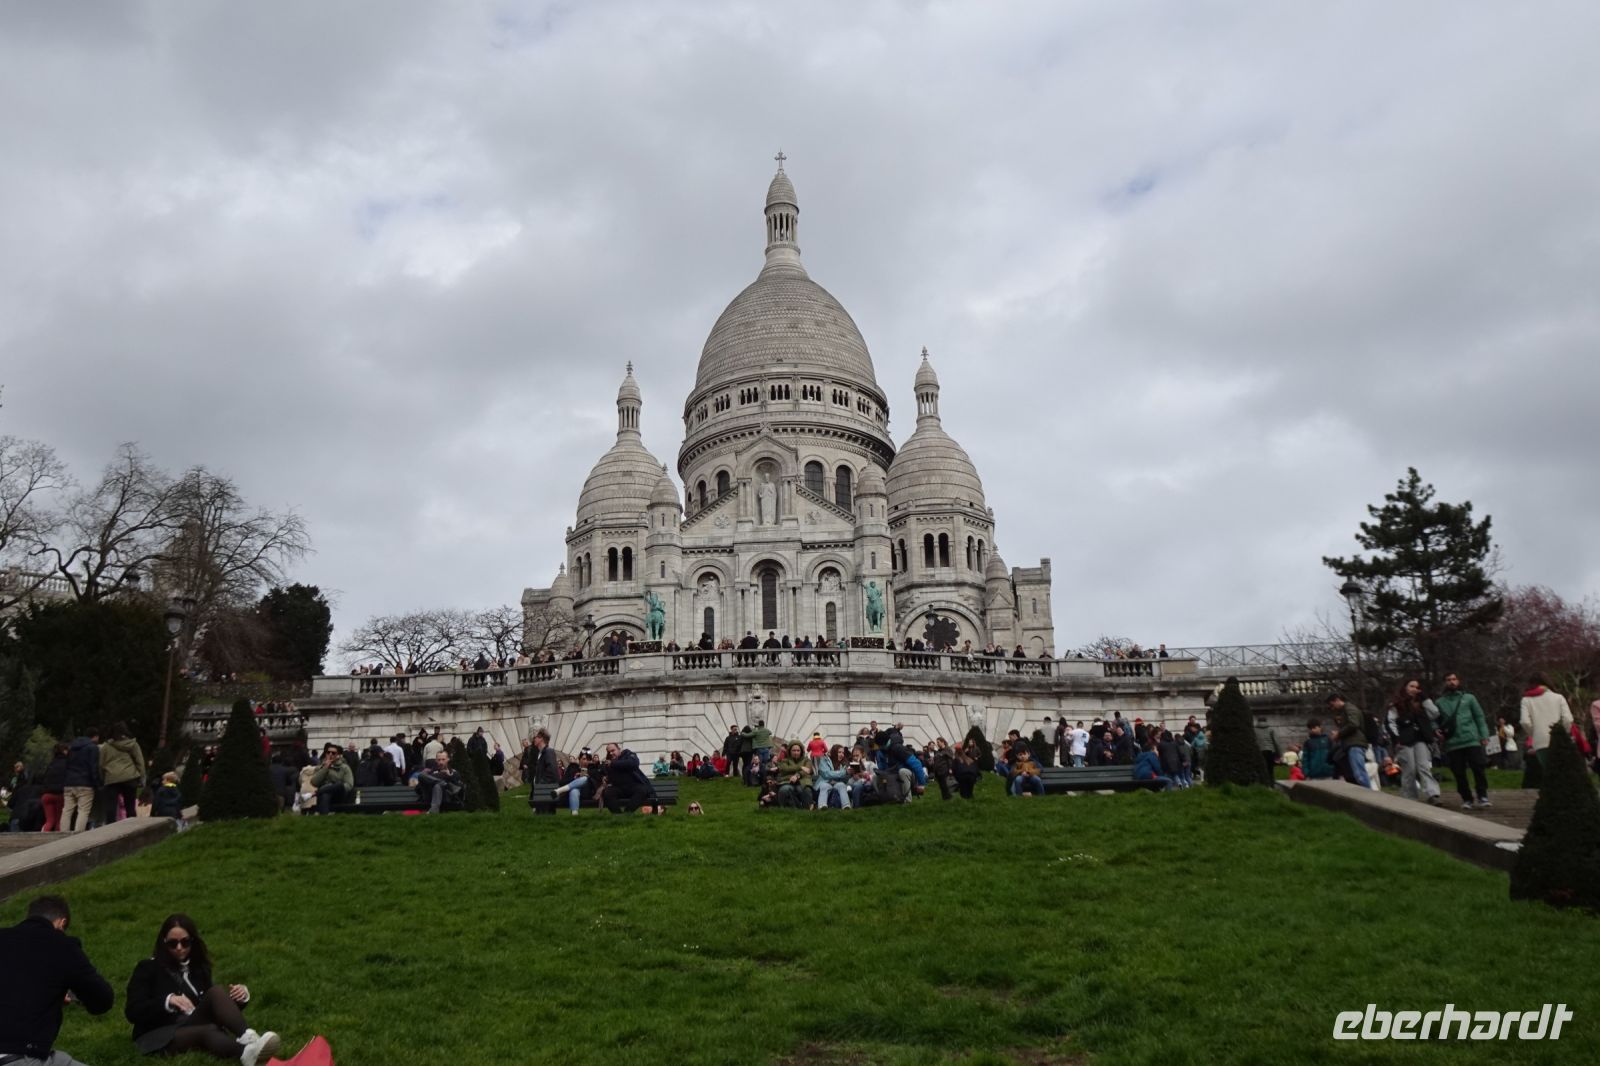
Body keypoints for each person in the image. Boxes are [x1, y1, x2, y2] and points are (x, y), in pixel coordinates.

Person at [125, 913, 279, 1063]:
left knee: (216, 993)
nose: (179, 948)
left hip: (189, 1022)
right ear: (163, 942)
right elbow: (133, 1011)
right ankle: (246, 1053)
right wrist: (168, 1001)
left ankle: (248, 1038)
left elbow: (214, 1008)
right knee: (207, 1031)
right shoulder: (147, 968)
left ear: (193, 941)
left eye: (185, 942)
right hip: (157, 1033)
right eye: (172, 943)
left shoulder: (199, 969)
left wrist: (240, 997)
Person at [0, 895, 115, 1066]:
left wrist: (50, 994)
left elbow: (15, 985)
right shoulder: (61, 945)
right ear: (61, 923)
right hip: (20, 1056)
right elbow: (102, 1000)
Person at [1435, 671, 1492, 810]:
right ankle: (1467, 798)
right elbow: (1434, 720)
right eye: (1448, 679)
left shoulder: (1469, 698)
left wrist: (1484, 735)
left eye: (1454, 679)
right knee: (1459, 772)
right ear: (1444, 682)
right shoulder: (1439, 702)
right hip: (1453, 742)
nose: (1452, 682)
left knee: (1478, 768)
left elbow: (1479, 717)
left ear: (1458, 681)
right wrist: (1435, 730)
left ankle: (1482, 795)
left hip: (1471, 739)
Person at [1388, 680, 1442, 805]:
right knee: (1409, 769)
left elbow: (1435, 713)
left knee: (1424, 766)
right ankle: (1410, 797)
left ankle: (1432, 793)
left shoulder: (1422, 704)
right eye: (1411, 686)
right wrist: (1396, 739)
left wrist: (1425, 700)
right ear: (1405, 688)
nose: (1414, 689)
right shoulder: (1396, 705)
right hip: (1404, 740)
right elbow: (1390, 722)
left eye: (1417, 687)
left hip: (1421, 738)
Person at [1519, 673, 1573, 769]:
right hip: (1558, 740)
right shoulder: (1559, 697)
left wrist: (1534, 733)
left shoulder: (1526, 700)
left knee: (1548, 772)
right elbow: (1568, 720)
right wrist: (1564, 733)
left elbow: (1524, 722)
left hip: (1540, 741)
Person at [98, 723, 146, 825]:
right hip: (130, 777)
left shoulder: (106, 746)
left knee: (111, 807)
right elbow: (140, 761)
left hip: (111, 778)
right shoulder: (133, 744)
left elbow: (101, 764)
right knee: (130, 805)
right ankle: (132, 827)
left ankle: (110, 828)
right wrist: (141, 777)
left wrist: (103, 778)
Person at [1328, 693, 1372, 788]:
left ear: (1337, 700)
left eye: (1332, 705)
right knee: (1355, 773)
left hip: (1355, 743)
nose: (1332, 708)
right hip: (1350, 743)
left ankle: (1370, 795)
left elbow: (1353, 724)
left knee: (1359, 774)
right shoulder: (1343, 711)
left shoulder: (1349, 708)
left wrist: (1338, 734)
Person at [600, 743, 659, 814]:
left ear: (619, 749)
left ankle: (627, 813)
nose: (611, 753)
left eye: (613, 750)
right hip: (619, 788)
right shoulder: (608, 762)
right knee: (607, 793)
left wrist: (613, 764)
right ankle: (618, 815)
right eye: (609, 752)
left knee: (642, 790)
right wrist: (606, 778)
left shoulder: (628, 754)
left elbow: (633, 763)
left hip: (634, 786)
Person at [62, 729, 101, 833]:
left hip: (69, 783)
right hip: (85, 783)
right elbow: (94, 767)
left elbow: (66, 766)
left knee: (67, 810)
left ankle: (62, 834)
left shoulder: (72, 748)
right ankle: (78, 835)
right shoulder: (93, 748)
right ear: (95, 736)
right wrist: (97, 784)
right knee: (83, 810)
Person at [416, 749, 463, 814]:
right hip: (429, 795)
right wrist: (443, 777)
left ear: (448, 759)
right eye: (439, 760)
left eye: (443, 759)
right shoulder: (430, 772)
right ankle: (445, 784)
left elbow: (457, 786)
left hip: (445, 797)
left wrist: (448, 776)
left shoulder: (453, 772)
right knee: (421, 775)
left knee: (437, 786)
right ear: (436, 760)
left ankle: (434, 811)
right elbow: (418, 788)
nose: (441, 762)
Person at [309, 746, 353, 815]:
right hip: (324, 796)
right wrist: (325, 768)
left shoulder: (344, 767)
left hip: (339, 795)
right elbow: (314, 782)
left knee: (339, 785)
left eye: (333, 753)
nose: (330, 754)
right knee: (326, 794)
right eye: (328, 752)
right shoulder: (320, 767)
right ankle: (324, 819)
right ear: (325, 754)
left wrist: (333, 787)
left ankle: (318, 792)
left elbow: (349, 785)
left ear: (337, 755)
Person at [39, 743, 69, 833]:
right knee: (59, 822)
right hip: (60, 795)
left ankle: (42, 839)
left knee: (49, 821)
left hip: (46, 795)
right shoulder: (67, 762)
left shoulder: (51, 763)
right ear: (64, 751)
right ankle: (57, 844)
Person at [814, 744, 851, 810]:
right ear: (834, 752)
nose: (841, 754)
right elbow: (826, 774)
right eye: (839, 752)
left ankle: (846, 806)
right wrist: (843, 773)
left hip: (837, 783)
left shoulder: (844, 763)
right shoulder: (824, 760)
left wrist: (848, 774)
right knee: (824, 786)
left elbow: (844, 779)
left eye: (843, 753)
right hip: (825, 782)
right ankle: (822, 806)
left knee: (842, 785)